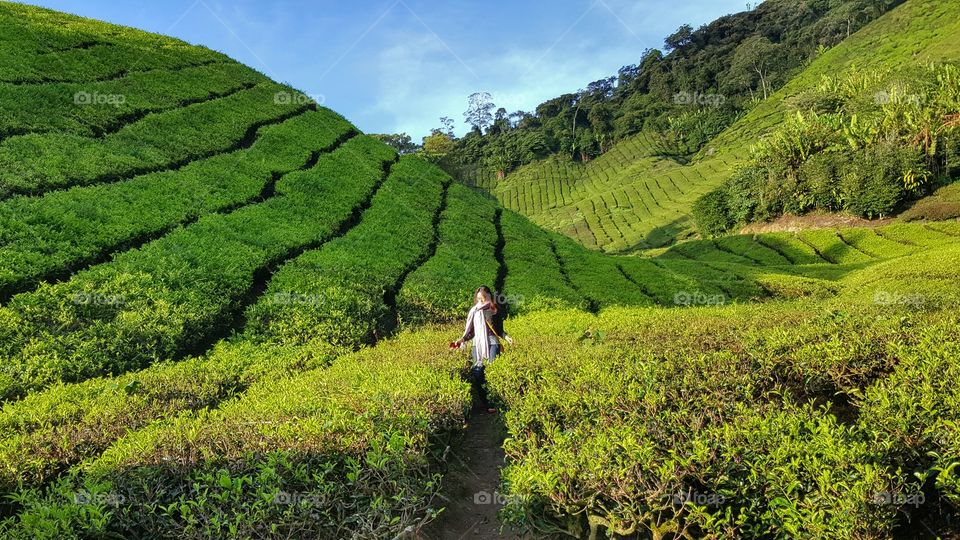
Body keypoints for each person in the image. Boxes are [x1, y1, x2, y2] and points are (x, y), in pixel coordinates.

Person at [454, 286, 512, 413]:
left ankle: (495, 401)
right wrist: (461, 340)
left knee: (492, 369)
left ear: (490, 296)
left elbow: (498, 329)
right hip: (477, 345)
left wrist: (506, 337)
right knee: (478, 371)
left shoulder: (493, 309)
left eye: (484, 298)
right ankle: (485, 402)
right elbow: (470, 332)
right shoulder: (474, 311)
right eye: (479, 299)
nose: (482, 301)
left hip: (492, 343)